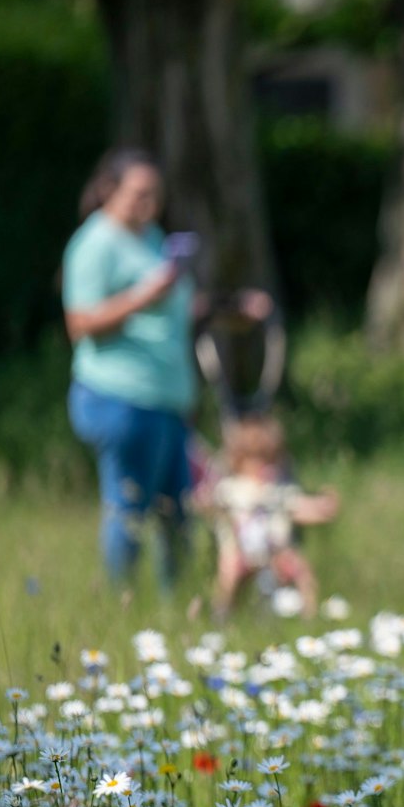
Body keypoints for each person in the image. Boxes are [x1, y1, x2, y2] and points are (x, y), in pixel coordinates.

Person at [61, 149, 268, 593]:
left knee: (178, 512)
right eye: (139, 193)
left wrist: (230, 307)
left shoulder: (152, 238)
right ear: (108, 190)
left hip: (166, 400)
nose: (149, 203)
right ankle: (119, 600)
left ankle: (175, 605)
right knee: (129, 508)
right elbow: (80, 322)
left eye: (155, 194)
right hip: (120, 398)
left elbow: (178, 309)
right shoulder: (95, 244)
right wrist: (144, 295)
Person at [200, 415, 339, 618]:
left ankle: (310, 615)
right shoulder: (232, 489)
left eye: (270, 460)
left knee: (302, 571)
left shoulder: (277, 491)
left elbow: (299, 507)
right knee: (228, 572)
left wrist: (322, 508)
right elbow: (212, 503)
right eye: (257, 459)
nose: (265, 467)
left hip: (276, 552)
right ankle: (221, 614)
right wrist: (204, 503)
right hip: (241, 551)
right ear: (239, 460)